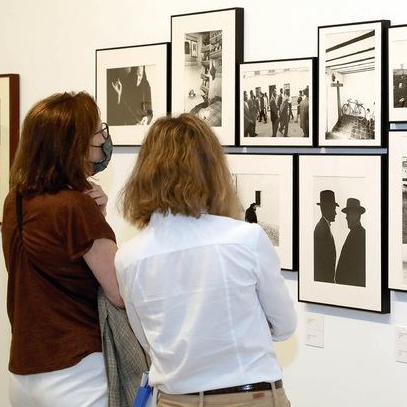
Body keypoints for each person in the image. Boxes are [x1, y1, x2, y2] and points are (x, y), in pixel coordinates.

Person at [116, 113, 296, 407]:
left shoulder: (129, 257)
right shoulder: (245, 239)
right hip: (250, 397)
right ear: (213, 170)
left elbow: (149, 342)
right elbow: (285, 326)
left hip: (175, 400)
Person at [1, 92, 123, 407]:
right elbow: (119, 292)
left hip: (24, 373)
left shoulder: (15, 200)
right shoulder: (76, 206)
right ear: (74, 144)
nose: (104, 139)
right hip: (76, 373)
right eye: (98, 131)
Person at [335, 198, 366, 287]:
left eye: (348, 214)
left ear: (356, 215)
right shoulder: (355, 233)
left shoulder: (360, 235)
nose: (346, 217)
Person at [314, 190, 338, 283]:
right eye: (334, 209)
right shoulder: (323, 229)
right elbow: (324, 263)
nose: (336, 213)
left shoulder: (323, 227)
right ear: (327, 208)